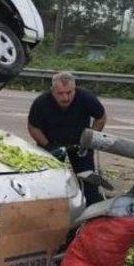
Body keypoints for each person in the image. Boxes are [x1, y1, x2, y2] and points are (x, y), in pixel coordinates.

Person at [27, 71, 107, 205]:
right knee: (48, 181)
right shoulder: (41, 102)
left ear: (75, 89)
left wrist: (89, 140)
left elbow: (101, 117)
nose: (65, 98)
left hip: (80, 144)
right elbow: (33, 127)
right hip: (52, 144)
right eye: (60, 93)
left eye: (69, 92)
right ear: (53, 91)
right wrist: (48, 146)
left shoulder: (86, 97)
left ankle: (92, 210)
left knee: (88, 181)